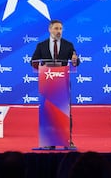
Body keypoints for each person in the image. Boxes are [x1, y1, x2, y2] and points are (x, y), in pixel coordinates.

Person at [31, 19, 79, 149]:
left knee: (66, 111)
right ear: (50, 29)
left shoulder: (68, 45)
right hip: (47, 83)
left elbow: (75, 63)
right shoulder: (41, 45)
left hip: (62, 82)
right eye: (56, 28)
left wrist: (75, 60)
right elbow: (33, 62)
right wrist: (42, 66)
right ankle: (49, 141)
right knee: (48, 111)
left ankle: (68, 140)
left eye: (60, 29)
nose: (59, 31)